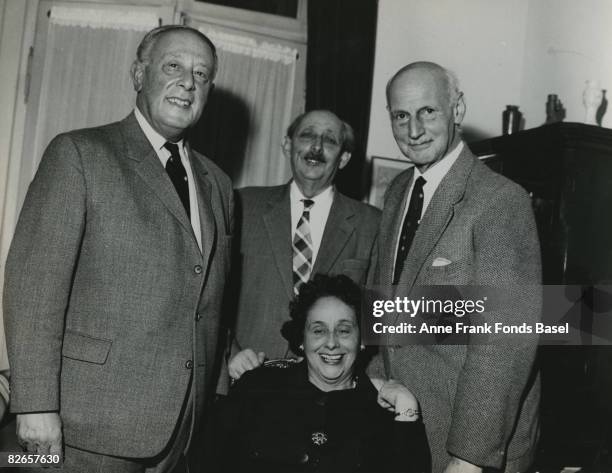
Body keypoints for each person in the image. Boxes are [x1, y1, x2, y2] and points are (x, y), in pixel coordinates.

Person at [3, 25, 233, 472]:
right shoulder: (80, 154)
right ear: (138, 74)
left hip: (180, 430)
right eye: (174, 67)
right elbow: (33, 288)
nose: (189, 82)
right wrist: (33, 406)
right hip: (84, 425)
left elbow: (211, 302)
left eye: (202, 75)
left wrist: (211, 398)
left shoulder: (219, 185)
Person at [368, 62, 541, 473]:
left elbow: (506, 340)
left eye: (428, 111)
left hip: (469, 444)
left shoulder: (500, 200)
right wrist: (377, 374)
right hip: (403, 424)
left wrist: (469, 456)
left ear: (457, 110)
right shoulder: (396, 192)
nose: (414, 130)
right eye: (400, 116)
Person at [214, 274, 430, 472]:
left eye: (344, 330)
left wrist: (406, 406)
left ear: (362, 341)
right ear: (301, 339)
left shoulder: (381, 409)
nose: (331, 343)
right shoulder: (259, 386)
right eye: (318, 331)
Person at [227, 110, 381, 379]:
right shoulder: (241, 206)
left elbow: (380, 318)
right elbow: (211, 298)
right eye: (307, 135)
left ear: (343, 158)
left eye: (330, 141)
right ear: (287, 145)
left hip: (329, 392)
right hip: (246, 381)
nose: (317, 147)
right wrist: (230, 353)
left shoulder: (372, 224)